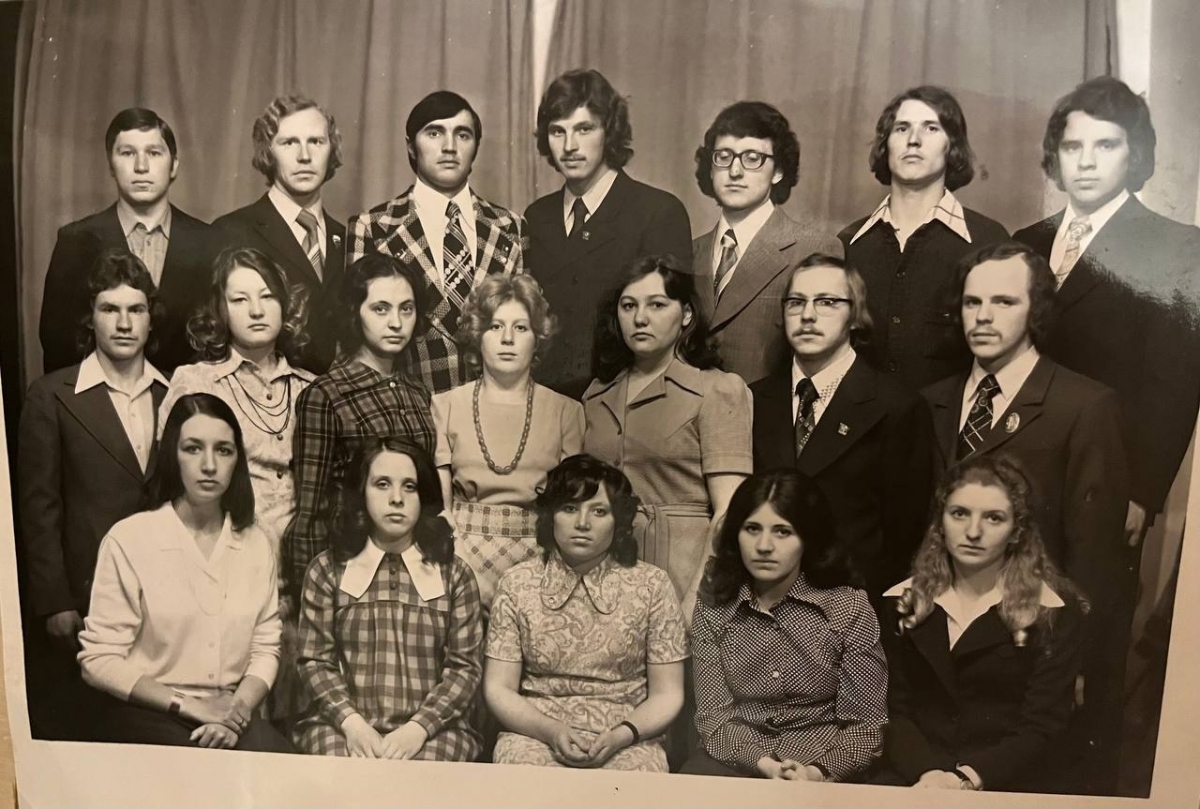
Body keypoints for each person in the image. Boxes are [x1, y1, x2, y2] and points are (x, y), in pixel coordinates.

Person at [1012, 81, 1200, 793]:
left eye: (1106, 145)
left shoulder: (1178, 249)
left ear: (1135, 155)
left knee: (1091, 654)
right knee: (1014, 654)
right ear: (1055, 157)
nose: (1086, 161)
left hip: (1107, 489)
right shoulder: (1025, 244)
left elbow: (1176, 382)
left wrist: (1141, 493)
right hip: (1018, 484)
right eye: (1072, 146)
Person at [921, 241, 1129, 791]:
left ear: (1036, 310)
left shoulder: (1084, 406)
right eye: (972, 302)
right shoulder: (931, 401)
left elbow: (1094, 554)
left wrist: (1078, 661)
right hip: (940, 650)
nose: (983, 317)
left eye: (1004, 302)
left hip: (1031, 657)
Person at [77, 393, 290, 752]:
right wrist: (190, 706)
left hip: (229, 710)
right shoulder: (130, 539)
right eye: (193, 448)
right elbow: (98, 661)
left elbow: (265, 647)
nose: (209, 465)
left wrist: (235, 712)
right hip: (149, 712)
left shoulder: (256, 543)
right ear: (172, 457)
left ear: (237, 460)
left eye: (224, 450)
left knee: (282, 765)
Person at [159, 246, 316, 727]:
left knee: (298, 721)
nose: (256, 310)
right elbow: (173, 485)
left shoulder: (312, 387)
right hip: (226, 578)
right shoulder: (196, 382)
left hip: (302, 580)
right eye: (240, 299)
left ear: (285, 306)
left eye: (267, 297)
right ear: (220, 310)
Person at [18, 251, 169, 740]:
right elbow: (38, 508)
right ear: (91, 316)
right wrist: (54, 601)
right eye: (110, 309)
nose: (124, 323)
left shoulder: (174, 393)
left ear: (151, 317)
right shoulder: (51, 395)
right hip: (83, 603)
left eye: (136, 309)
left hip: (163, 602)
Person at [877, 455, 1087, 794]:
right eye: (959, 514)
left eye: (994, 518)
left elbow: (1041, 726)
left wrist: (964, 779)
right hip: (919, 778)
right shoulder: (901, 602)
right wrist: (930, 776)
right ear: (940, 522)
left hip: (1006, 782)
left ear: (1017, 530)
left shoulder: (1055, 610)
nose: (973, 532)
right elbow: (895, 712)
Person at [484, 455, 687, 770]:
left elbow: (668, 694)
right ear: (551, 515)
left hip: (628, 736)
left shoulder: (653, 585)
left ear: (618, 520)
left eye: (599, 511)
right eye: (569, 508)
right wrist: (551, 731)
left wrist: (622, 735)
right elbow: (498, 688)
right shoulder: (517, 583)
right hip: (534, 734)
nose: (582, 523)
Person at [684, 469, 887, 781]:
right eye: (752, 529)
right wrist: (764, 764)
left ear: (808, 538)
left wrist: (816, 773)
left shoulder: (849, 608)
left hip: (823, 763)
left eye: (782, 532)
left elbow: (865, 727)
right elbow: (713, 717)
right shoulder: (714, 606)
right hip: (736, 760)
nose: (764, 546)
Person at [750, 254, 934, 599]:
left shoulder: (897, 406)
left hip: (853, 604)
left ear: (855, 316)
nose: (807, 315)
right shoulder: (753, 399)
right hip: (764, 601)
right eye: (796, 302)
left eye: (827, 302)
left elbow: (906, 534)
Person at [293, 439, 483, 760]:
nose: (397, 498)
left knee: (421, 778)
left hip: (434, 730)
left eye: (410, 486)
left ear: (424, 497)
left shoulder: (455, 575)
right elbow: (315, 662)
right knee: (340, 772)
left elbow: (464, 668)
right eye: (382, 484)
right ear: (361, 492)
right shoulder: (326, 569)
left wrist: (418, 729)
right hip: (343, 726)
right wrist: (353, 725)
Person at [582, 254, 752, 605]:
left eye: (657, 305)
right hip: (603, 574)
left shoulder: (717, 390)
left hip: (683, 574)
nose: (640, 318)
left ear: (686, 314)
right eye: (628, 305)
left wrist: (695, 604)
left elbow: (730, 511)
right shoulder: (596, 394)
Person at [524, 69, 693, 397]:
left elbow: (672, 331)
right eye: (558, 131)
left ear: (609, 131)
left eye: (584, 129)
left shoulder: (658, 212)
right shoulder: (536, 217)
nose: (570, 146)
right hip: (546, 399)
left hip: (626, 400)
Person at [282, 254, 436, 606]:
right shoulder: (326, 395)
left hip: (415, 573)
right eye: (381, 309)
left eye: (407, 309)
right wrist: (314, 601)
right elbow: (310, 514)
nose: (396, 322)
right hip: (349, 574)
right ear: (355, 313)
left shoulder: (420, 394)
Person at [348, 90, 525, 395]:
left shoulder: (510, 226)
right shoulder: (374, 227)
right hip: (407, 405)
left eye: (463, 135)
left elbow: (523, 328)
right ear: (411, 146)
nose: (449, 147)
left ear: (476, 147)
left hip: (496, 403)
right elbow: (356, 339)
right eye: (434, 133)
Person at [839, 86, 1008, 391]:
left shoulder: (989, 242)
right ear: (886, 145)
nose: (913, 140)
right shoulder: (849, 243)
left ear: (951, 146)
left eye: (931, 128)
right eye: (901, 128)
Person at [432, 275, 584, 609]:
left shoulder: (568, 411)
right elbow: (444, 510)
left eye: (521, 328)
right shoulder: (445, 406)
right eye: (495, 326)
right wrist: (460, 568)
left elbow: (570, 509)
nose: (507, 339)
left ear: (537, 338)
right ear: (478, 335)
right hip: (461, 559)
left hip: (541, 560)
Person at [40, 107, 217, 374]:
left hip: (188, 396)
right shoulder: (75, 241)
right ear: (111, 165)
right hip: (102, 397)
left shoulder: (208, 241)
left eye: (154, 153)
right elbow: (58, 346)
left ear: (174, 166)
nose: (141, 167)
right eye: (127, 153)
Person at [692, 101, 842, 385]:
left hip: (768, 410)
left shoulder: (814, 249)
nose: (735, 171)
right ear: (710, 169)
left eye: (752, 158)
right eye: (723, 156)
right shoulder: (688, 251)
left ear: (778, 171)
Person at [214, 95, 348, 373]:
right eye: (289, 143)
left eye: (316, 142)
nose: (304, 156)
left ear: (331, 149)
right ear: (268, 152)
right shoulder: (231, 232)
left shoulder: (347, 238)